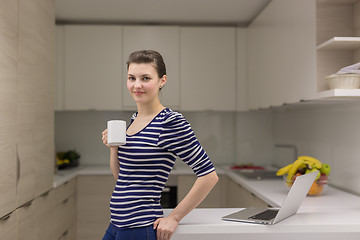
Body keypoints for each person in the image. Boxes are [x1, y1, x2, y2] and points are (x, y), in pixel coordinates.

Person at [101, 50, 218, 240]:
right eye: (132, 78)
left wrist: (174, 218)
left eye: (145, 78)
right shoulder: (134, 119)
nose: (137, 85)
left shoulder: (170, 121)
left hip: (139, 227)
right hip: (116, 223)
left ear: (162, 80)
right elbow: (121, 177)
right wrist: (113, 149)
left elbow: (209, 176)